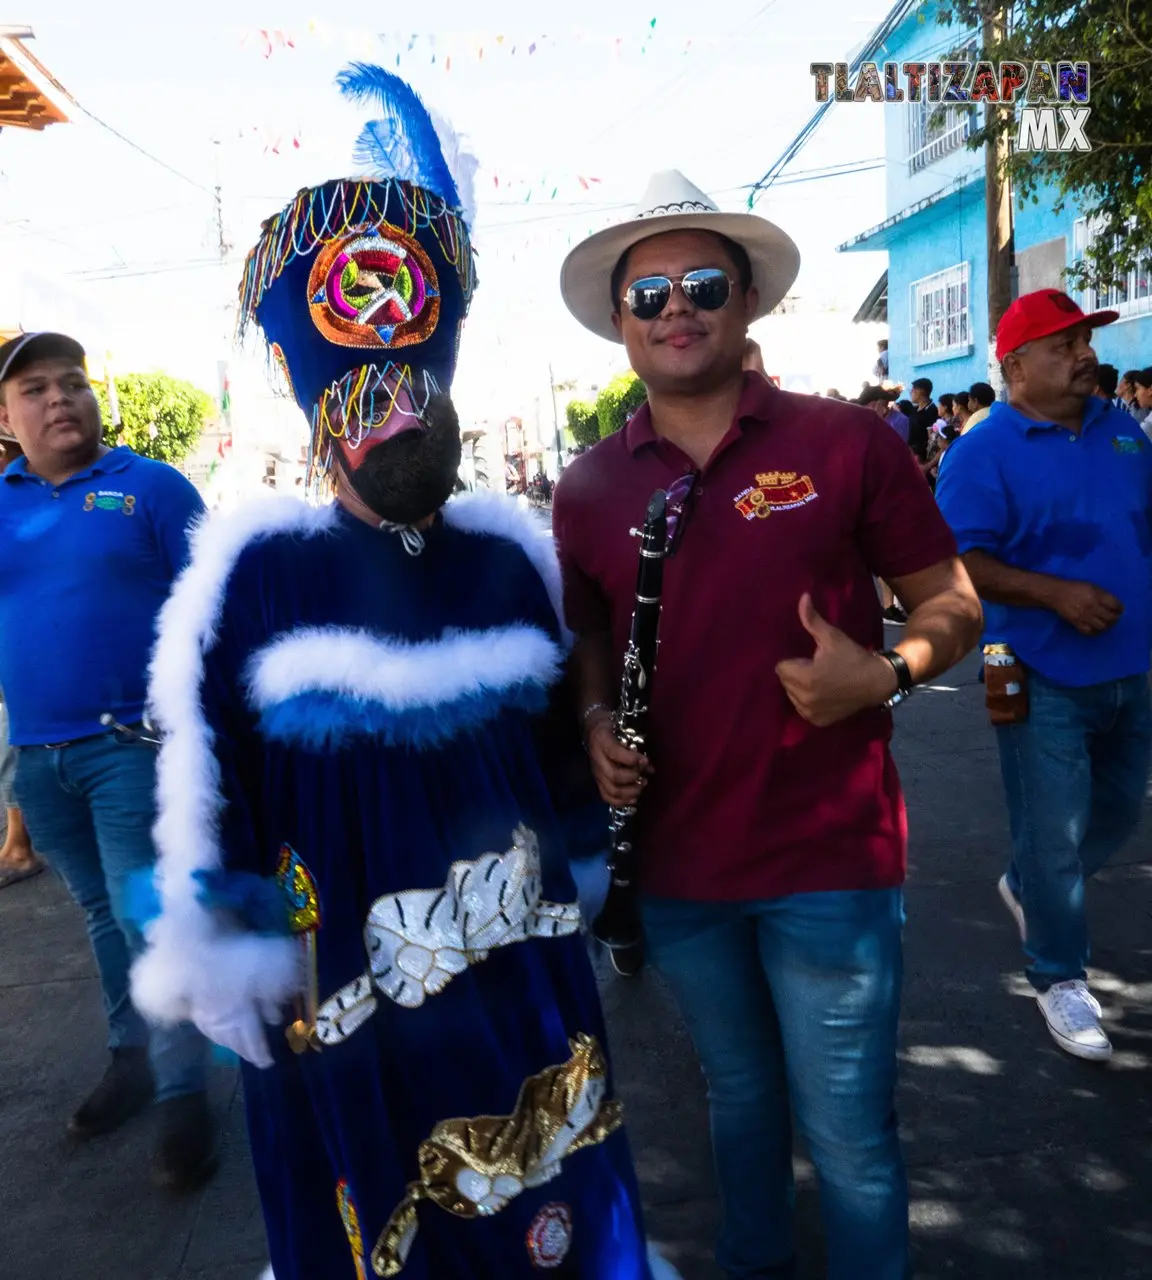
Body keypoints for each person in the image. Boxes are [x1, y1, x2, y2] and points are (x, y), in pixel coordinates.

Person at [130, 68, 674, 1280]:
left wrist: (588, 860)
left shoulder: (502, 557)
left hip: (520, 969)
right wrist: (232, 968)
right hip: (346, 987)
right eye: (368, 404)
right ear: (319, 412)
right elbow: (208, 789)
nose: (403, 425)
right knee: (381, 1218)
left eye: (420, 396)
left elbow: (550, 754)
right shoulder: (254, 572)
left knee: (547, 1204)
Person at [553, 168, 983, 1280]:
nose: (676, 307)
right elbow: (592, 631)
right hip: (684, 867)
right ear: (619, 324)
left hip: (828, 860)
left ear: (747, 303)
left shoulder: (848, 442)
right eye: (649, 295)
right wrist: (597, 714)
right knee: (738, 1103)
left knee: (847, 1133)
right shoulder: (587, 486)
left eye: (702, 283)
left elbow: (954, 604)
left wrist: (887, 672)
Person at [0, 331, 213, 1184]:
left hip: (132, 747)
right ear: (5, 417)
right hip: (39, 761)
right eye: (36, 390)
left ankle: (183, 1091)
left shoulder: (150, 487)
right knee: (100, 915)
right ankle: (134, 1056)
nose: (60, 400)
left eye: (73, 384)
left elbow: (216, 602)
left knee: (144, 918)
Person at [936, 289, 1152, 1062]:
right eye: (1065, 346)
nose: (1086, 355)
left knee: (1120, 810)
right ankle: (1058, 975)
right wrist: (1055, 593)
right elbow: (958, 559)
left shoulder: (1120, 429)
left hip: (1135, 662)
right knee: (1054, 831)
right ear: (1017, 365)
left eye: (1085, 341)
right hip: (1035, 668)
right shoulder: (980, 449)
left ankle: (1030, 887)